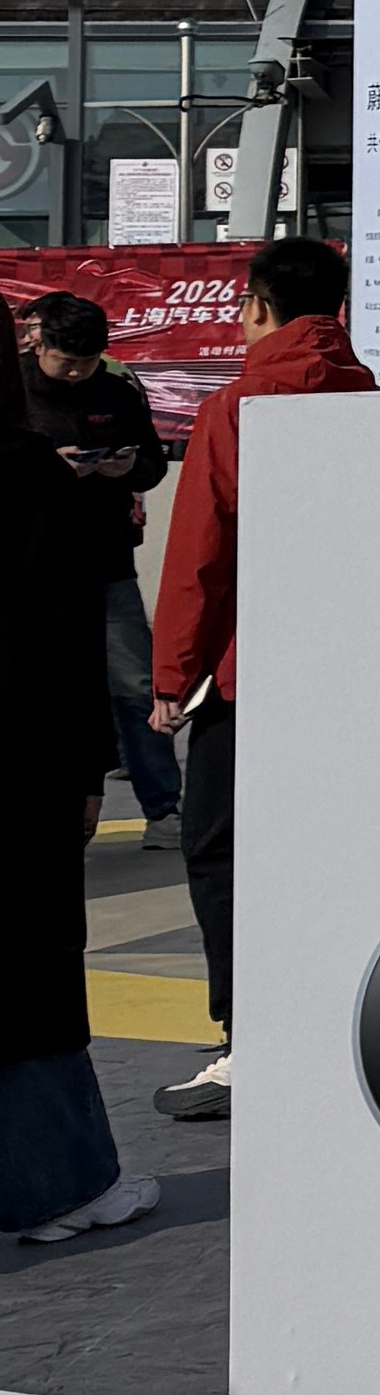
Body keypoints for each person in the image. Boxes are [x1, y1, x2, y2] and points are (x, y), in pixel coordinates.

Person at [143, 237, 377, 1126]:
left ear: (255, 307)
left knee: (221, 850)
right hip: (352, 676)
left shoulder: (236, 409)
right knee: (333, 852)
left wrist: (174, 676)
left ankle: (253, 1042)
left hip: (255, 676)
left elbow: (201, 558)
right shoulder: (372, 402)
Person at [1, 403, 152, 1244]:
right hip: (22, 764)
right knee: (31, 972)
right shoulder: (26, 473)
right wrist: (90, 766)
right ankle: (66, 1184)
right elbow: (65, 632)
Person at [18, 294, 177, 826]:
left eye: (85, 364)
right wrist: (48, 470)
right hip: (33, 568)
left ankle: (163, 808)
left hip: (105, 561)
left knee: (134, 686)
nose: (74, 373)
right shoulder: (15, 389)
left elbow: (153, 462)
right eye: (64, 362)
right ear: (41, 345)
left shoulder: (117, 390)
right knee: (39, 686)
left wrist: (128, 468)